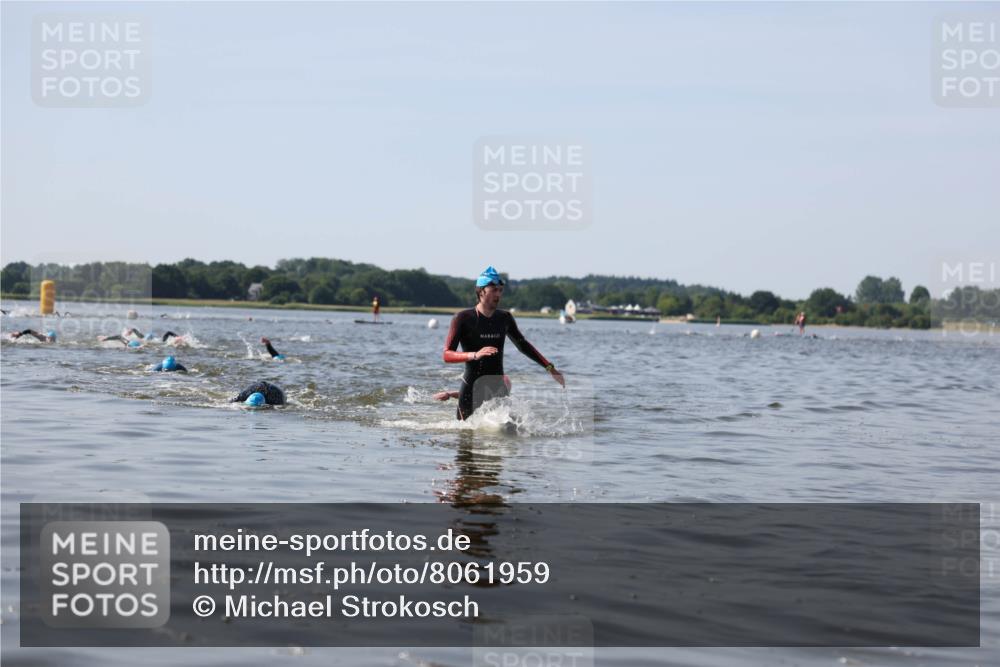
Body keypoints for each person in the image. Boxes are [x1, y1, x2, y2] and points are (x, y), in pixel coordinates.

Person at [442, 266, 564, 420]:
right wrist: (475, 355)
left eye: (500, 290)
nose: (498, 294)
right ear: (481, 291)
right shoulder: (462, 318)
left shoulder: (504, 318)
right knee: (465, 433)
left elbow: (523, 345)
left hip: (498, 387)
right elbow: (447, 355)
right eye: (494, 290)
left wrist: (550, 368)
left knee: (506, 430)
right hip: (470, 388)